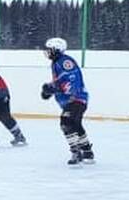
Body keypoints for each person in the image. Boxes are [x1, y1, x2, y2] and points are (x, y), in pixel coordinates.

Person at [40, 37, 93, 165]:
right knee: (75, 124)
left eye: (50, 49)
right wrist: (49, 89)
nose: (47, 52)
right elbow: (61, 81)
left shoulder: (65, 61)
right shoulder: (56, 63)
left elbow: (71, 79)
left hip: (76, 98)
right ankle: (87, 152)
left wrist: (54, 89)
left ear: (57, 50)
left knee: (66, 122)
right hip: (73, 99)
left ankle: (76, 151)